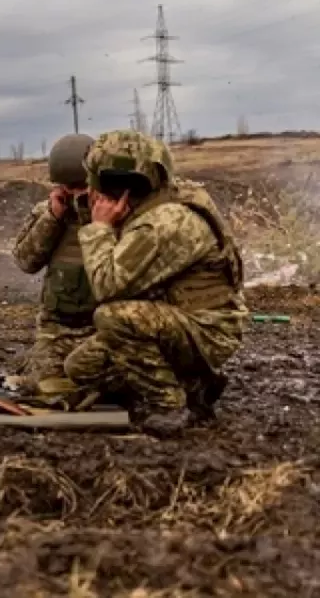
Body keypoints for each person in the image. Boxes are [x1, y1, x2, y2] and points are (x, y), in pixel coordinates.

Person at [63, 129, 247, 435]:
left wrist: (99, 228)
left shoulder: (163, 222)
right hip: (182, 320)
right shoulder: (154, 204)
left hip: (208, 329)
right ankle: (194, 385)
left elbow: (106, 286)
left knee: (113, 318)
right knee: (81, 367)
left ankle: (168, 404)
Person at [12, 133, 97, 398]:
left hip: (103, 328)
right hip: (57, 331)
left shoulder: (117, 213)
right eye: (68, 187)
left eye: (82, 187)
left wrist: (99, 219)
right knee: (46, 386)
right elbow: (25, 261)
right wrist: (53, 218)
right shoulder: (48, 212)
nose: (75, 195)